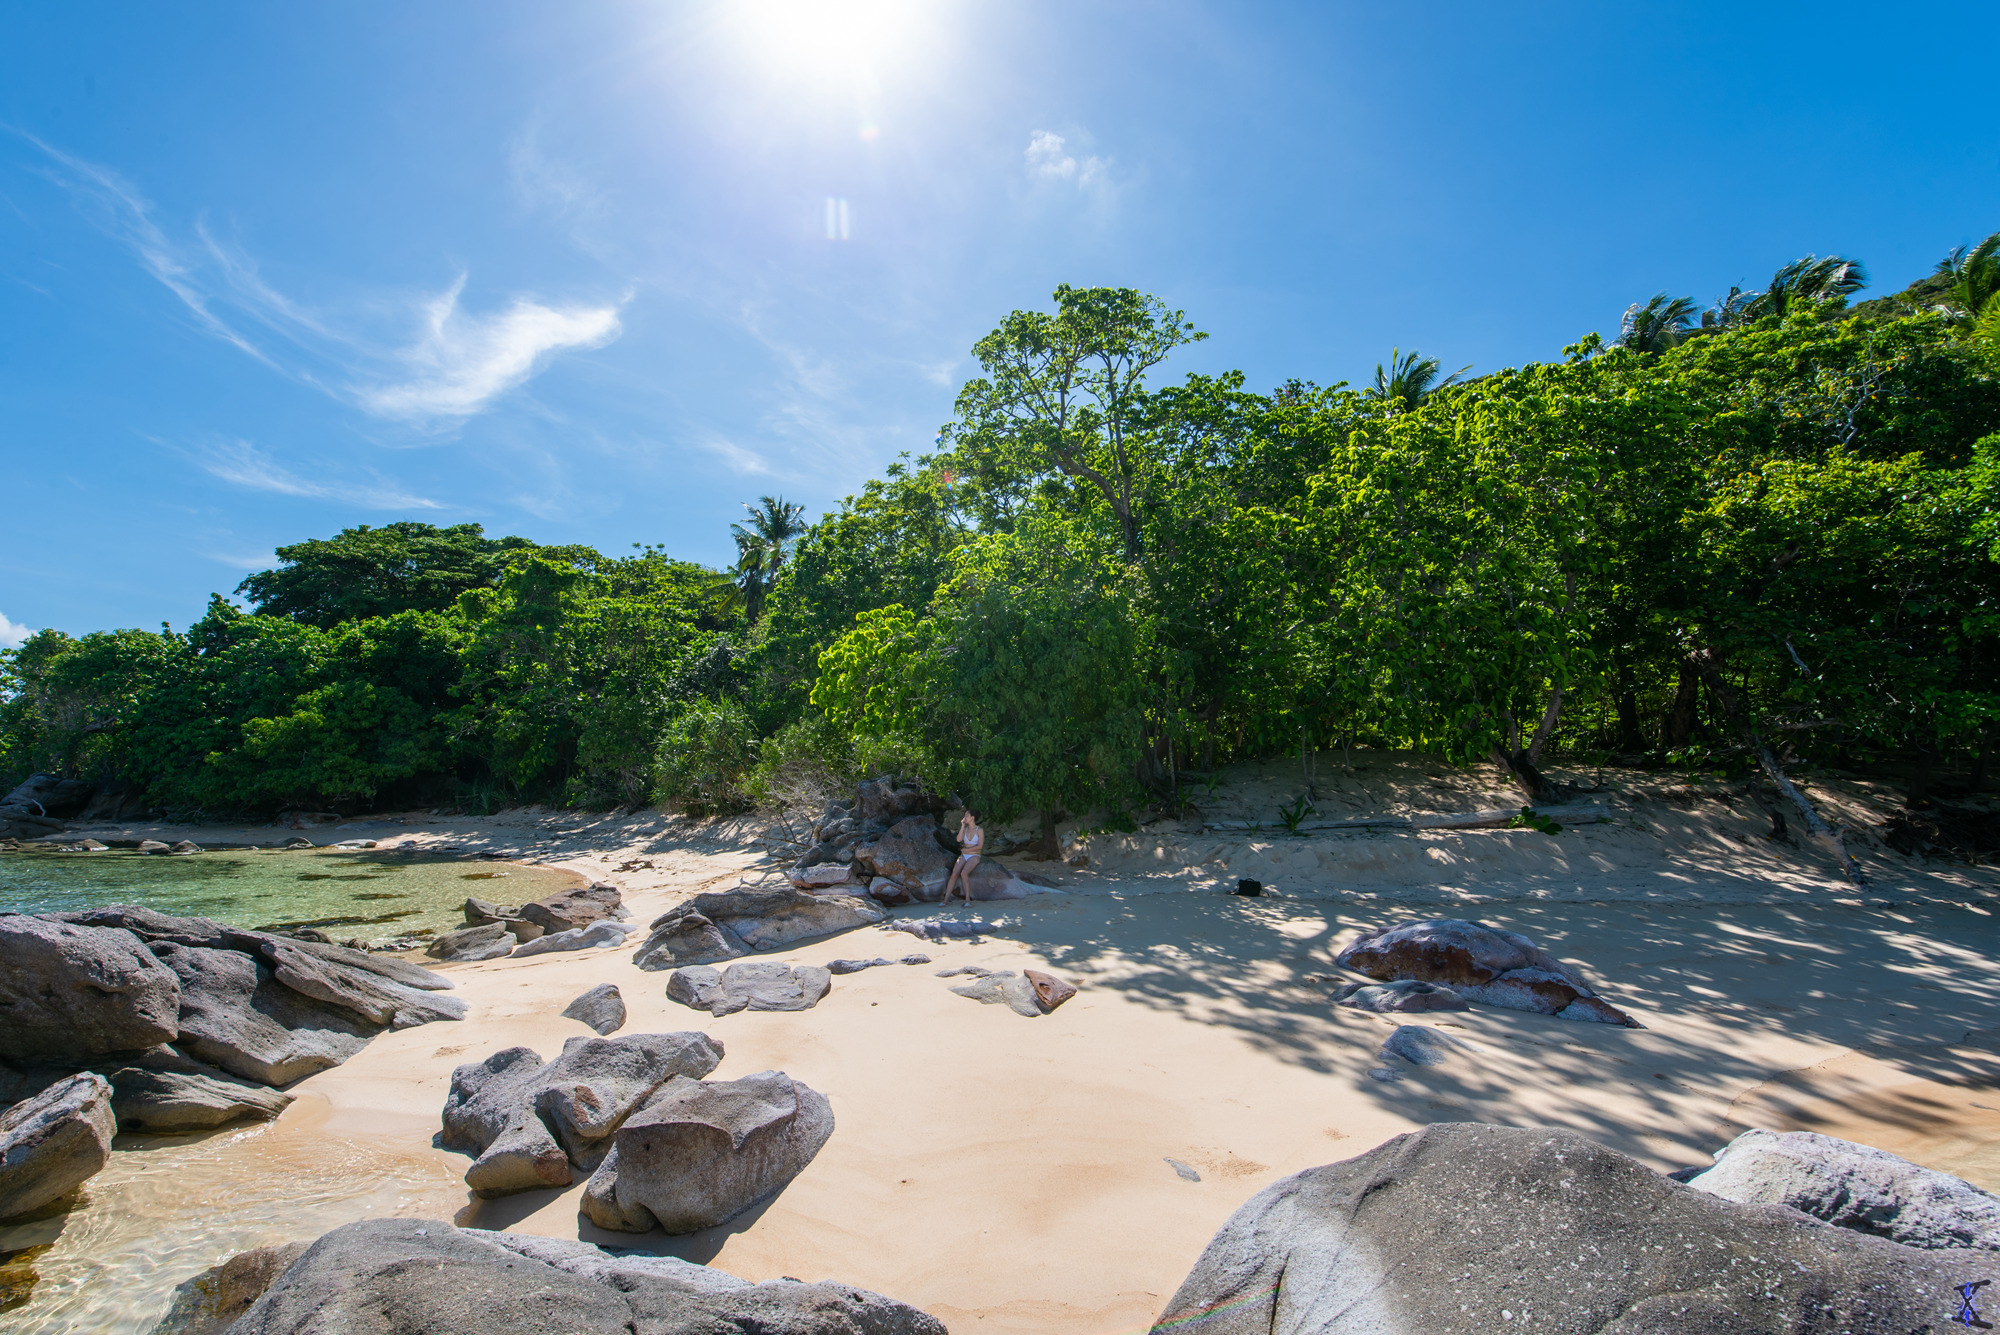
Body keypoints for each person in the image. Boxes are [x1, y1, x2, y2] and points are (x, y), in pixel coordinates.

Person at [941, 809, 984, 906]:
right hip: (964, 854)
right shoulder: (965, 829)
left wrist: (967, 851)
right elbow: (958, 839)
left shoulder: (979, 830)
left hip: (974, 855)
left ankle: (967, 900)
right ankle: (945, 900)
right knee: (954, 873)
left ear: (972, 818)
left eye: (966, 816)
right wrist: (962, 826)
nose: (964, 818)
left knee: (964, 873)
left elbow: (980, 846)